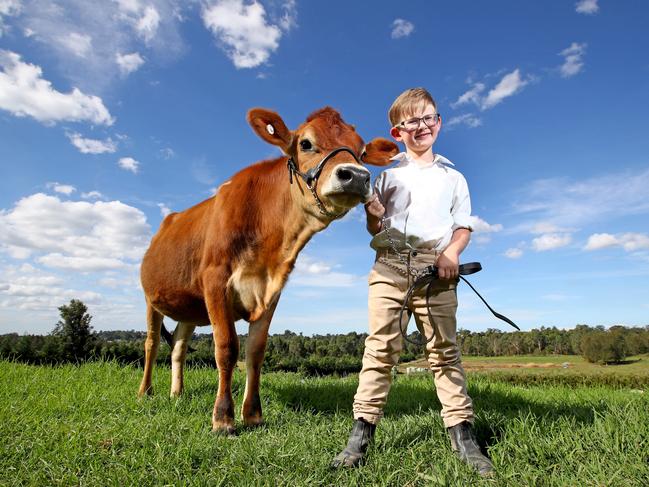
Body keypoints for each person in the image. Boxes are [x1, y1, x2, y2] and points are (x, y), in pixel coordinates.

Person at [331, 87, 494, 476]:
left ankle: (463, 435)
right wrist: (372, 212)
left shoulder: (454, 177)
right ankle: (361, 434)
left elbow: (462, 226)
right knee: (381, 350)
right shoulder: (386, 176)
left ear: (439, 122)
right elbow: (376, 224)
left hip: (436, 272)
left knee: (445, 353)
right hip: (389, 267)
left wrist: (451, 253)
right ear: (397, 132)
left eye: (429, 118)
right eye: (412, 121)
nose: (422, 126)